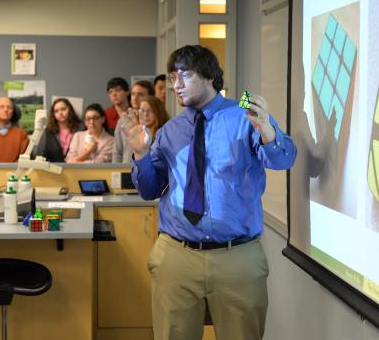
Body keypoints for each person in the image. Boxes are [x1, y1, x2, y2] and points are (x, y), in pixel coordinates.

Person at [126, 45, 297, 340]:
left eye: (184, 75)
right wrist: (141, 155)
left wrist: (268, 131)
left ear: (208, 76)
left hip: (237, 258)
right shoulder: (170, 130)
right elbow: (149, 189)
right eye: (172, 77)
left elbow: (284, 159)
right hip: (177, 255)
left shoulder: (245, 115)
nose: (176, 85)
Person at [112, 80, 154, 163]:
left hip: (148, 169)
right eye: (133, 94)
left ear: (150, 97)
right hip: (126, 169)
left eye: (140, 94)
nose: (135, 98)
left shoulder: (154, 119)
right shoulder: (123, 121)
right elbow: (117, 152)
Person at [34, 98, 82, 162]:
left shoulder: (80, 129)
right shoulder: (48, 132)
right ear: (53, 114)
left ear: (70, 110)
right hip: (53, 170)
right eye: (56, 111)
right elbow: (39, 155)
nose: (60, 113)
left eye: (63, 109)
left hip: (77, 169)